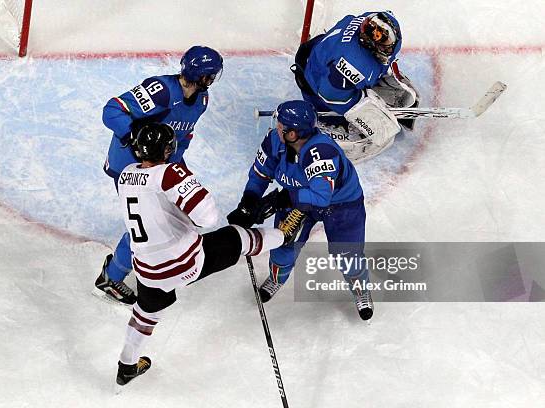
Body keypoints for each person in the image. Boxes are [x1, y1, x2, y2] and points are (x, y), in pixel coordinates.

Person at [113, 123, 290, 386]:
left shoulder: (127, 173)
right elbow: (207, 218)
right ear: (167, 150)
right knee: (238, 237)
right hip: (185, 263)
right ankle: (285, 234)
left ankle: (126, 367)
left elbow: (154, 204)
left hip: (147, 270)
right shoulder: (170, 173)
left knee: (146, 313)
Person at [93, 46, 224, 305]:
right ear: (201, 75)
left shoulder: (201, 100)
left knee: (170, 214)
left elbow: (183, 136)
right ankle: (111, 276)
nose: (212, 80)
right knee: (144, 225)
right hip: (132, 165)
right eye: (211, 75)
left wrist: (177, 169)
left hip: (162, 163)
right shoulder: (162, 91)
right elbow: (112, 110)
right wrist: (132, 136)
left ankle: (159, 260)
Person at [227, 100, 373, 321]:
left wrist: (281, 198)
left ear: (293, 134)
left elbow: (321, 197)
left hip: (341, 206)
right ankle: (276, 279)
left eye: (281, 125)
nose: (276, 127)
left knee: (347, 255)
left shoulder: (320, 152)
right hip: (297, 200)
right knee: (282, 246)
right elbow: (260, 174)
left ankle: (361, 292)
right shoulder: (274, 140)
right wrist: (249, 202)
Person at [291, 11, 420, 162]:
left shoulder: (371, 20)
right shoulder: (351, 64)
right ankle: (333, 123)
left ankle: (368, 85)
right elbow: (330, 95)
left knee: (363, 73)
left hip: (321, 54)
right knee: (346, 106)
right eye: (376, 36)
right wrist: (362, 106)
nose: (378, 34)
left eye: (382, 36)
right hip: (317, 80)